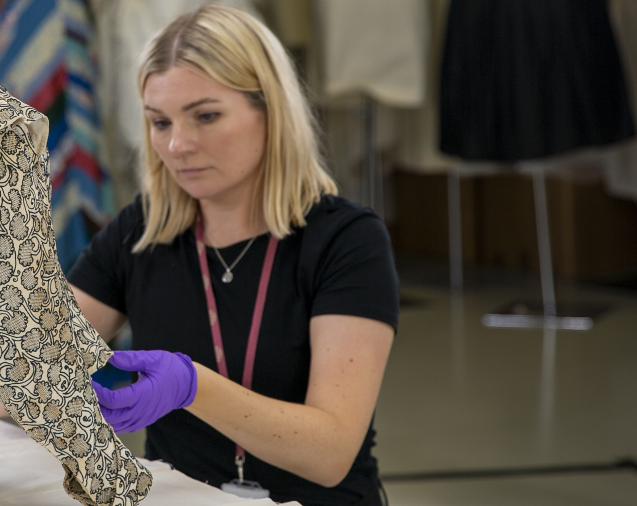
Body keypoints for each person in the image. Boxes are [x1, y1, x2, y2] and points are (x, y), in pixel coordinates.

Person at [66, 5, 398, 506]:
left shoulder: (347, 241)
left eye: (205, 116)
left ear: (270, 110)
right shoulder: (141, 230)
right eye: (160, 122)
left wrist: (191, 385)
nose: (177, 145)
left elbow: (330, 454)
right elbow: (32, 363)